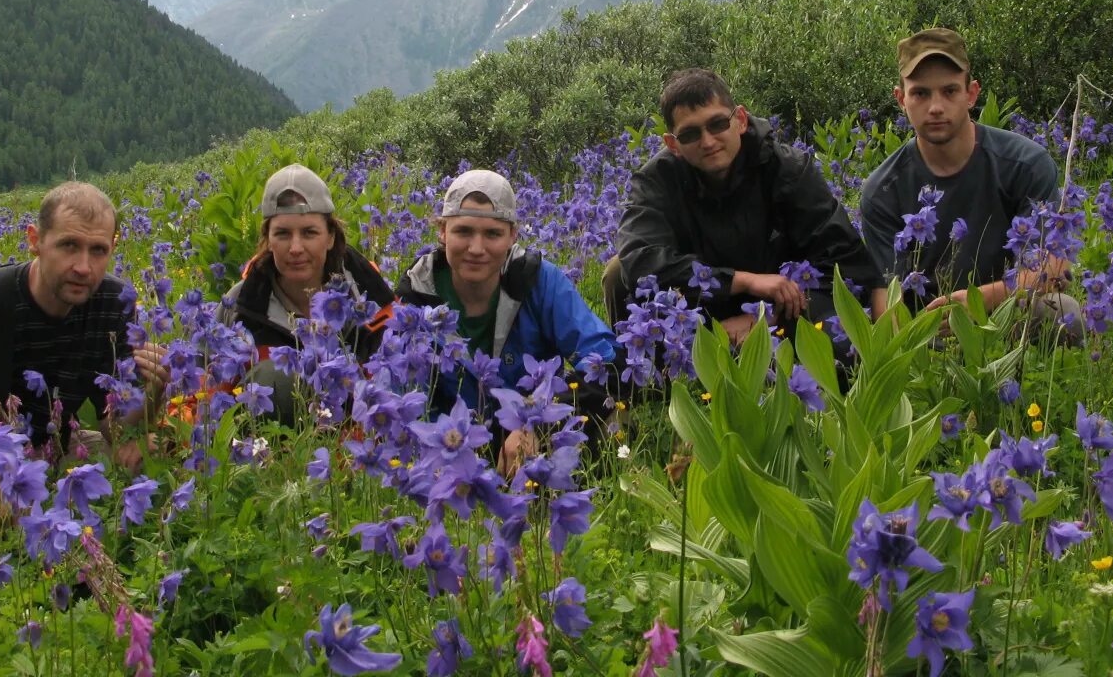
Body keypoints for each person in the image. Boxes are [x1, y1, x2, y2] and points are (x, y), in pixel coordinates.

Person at [0, 182, 168, 512]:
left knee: (154, 451)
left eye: (98, 250)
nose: (83, 267)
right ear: (34, 241)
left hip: (54, 449)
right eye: (69, 245)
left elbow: (113, 429)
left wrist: (153, 390)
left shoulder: (114, 303)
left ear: (113, 247)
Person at [609, 68, 880, 344]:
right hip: (701, 310)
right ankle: (636, 376)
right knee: (617, 274)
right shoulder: (656, 180)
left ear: (739, 119)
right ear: (673, 144)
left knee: (831, 328)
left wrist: (765, 317)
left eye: (717, 124)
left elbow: (843, 257)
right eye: (690, 134)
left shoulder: (787, 168)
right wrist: (743, 280)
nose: (708, 141)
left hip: (783, 304)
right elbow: (640, 259)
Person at [858, 28, 1079, 335]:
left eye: (949, 91)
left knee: (1064, 312)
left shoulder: (1025, 165)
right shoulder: (882, 189)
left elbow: (1057, 269)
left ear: (971, 94)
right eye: (920, 93)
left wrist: (978, 301)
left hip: (1005, 318)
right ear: (901, 99)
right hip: (929, 335)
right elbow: (887, 306)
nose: (935, 107)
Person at [396, 170, 618, 474]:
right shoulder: (415, 298)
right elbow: (403, 399)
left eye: (492, 234)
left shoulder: (539, 281)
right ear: (442, 232)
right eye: (463, 231)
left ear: (513, 235)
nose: (476, 248)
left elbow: (604, 361)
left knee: (609, 424)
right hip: (448, 451)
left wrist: (537, 424)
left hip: (531, 444)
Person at [227, 164, 394, 416]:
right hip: (273, 449)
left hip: (362, 443)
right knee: (273, 377)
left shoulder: (369, 295)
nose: (295, 248)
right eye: (282, 233)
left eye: (309, 233)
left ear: (330, 237)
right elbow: (208, 394)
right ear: (268, 240)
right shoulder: (242, 303)